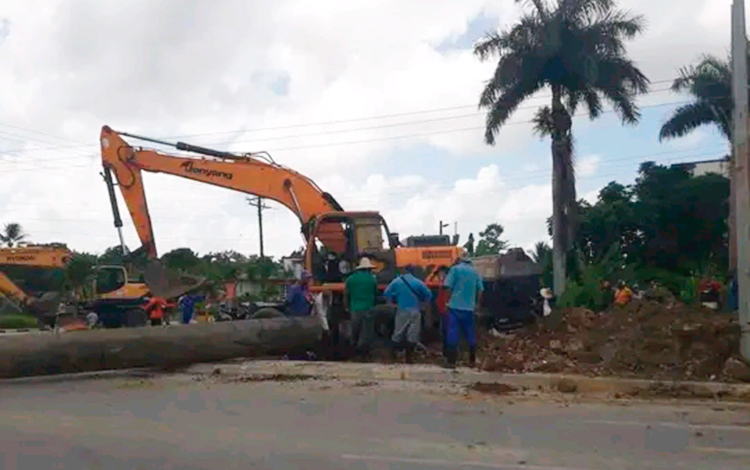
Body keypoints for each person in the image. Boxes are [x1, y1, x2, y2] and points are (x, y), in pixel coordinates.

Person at [383, 265, 432, 364]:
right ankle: (408, 358)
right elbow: (429, 295)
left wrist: (392, 302)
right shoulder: (418, 282)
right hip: (415, 311)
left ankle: (393, 356)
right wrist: (423, 305)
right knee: (412, 335)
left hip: (402, 311)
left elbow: (386, 293)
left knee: (398, 333)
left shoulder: (397, 281)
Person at [443, 255, 483, 369]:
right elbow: (480, 290)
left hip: (454, 307)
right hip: (469, 308)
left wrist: (447, 302)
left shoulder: (455, 269)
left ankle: (451, 362)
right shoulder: (475, 272)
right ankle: (472, 360)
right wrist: (477, 305)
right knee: (470, 333)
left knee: (452, 333)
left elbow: (448, 287)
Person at [344, 257, 379, 357]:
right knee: (367, 331)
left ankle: (354, 351)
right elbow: (376, 293)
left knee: (355, 329)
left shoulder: (350, 279)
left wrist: (346, 307)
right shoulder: (372, 279)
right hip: (369, 308)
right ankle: (365, 352)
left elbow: (346, 294)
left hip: (354, 308)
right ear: (368, 269)